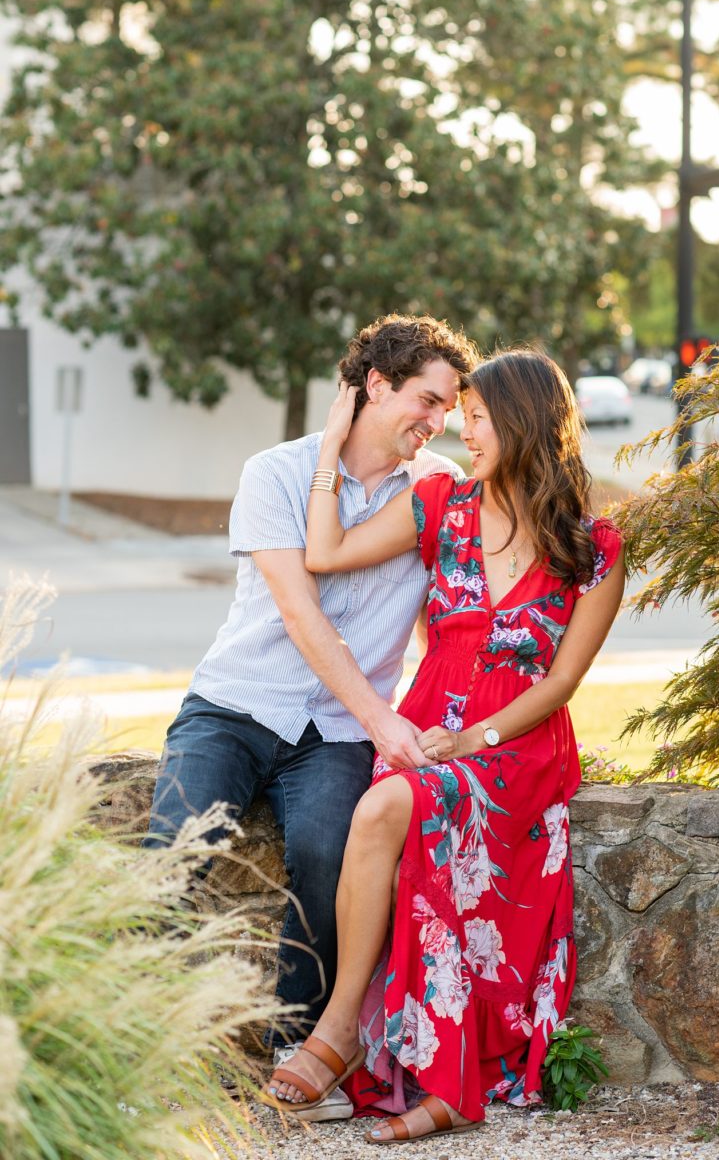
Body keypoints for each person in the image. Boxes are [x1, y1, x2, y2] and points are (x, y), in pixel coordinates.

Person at [266, 349, 624, 1143]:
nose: (464, 430)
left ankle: (339, 1036)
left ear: (527, 423)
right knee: (383, 807)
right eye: (462, 415)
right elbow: (323, 553)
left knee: (388, 803)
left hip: (516, 740)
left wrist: (475, 737)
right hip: (432, 722)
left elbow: (562, 681)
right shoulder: (439, 504)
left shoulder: (593, 545)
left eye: (480, 417)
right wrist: (328, 452)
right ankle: (369, 1040)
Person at [145, 314, 478, 1106]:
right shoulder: (276, 472)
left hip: (331, 733)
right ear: (375, 385)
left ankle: (298, 1044)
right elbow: (301, 615)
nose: (436, 422)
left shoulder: (438, 492)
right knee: (169, 857)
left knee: (330, 860)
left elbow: (452, 618)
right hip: (235, 704)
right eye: (425, 400)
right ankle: (137, 1044)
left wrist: (454, 716)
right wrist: (383, 720)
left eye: (447, 408)